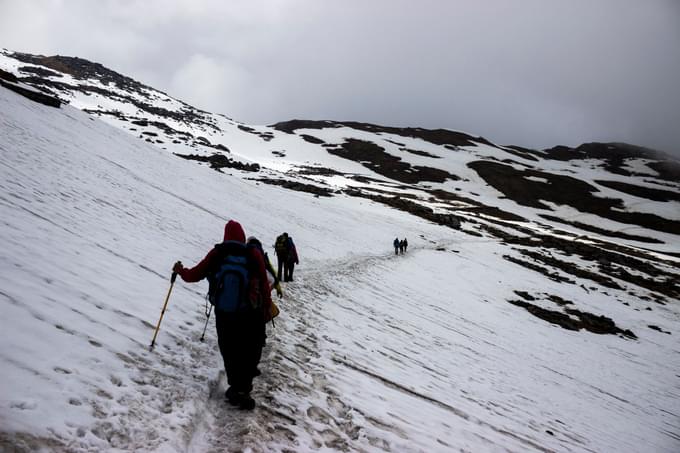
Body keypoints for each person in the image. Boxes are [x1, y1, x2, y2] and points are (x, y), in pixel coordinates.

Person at [173, 220, 272, 410]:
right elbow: (263, 283)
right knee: (248, 346)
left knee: (229, 347)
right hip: (248, 310)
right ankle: (244, 387)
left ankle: (236, 386)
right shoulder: (252, 254)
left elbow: (195, 274)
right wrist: (266, 307)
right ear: (242, 236)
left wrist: (181, 271)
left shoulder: (218, 253)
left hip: (224, 311)